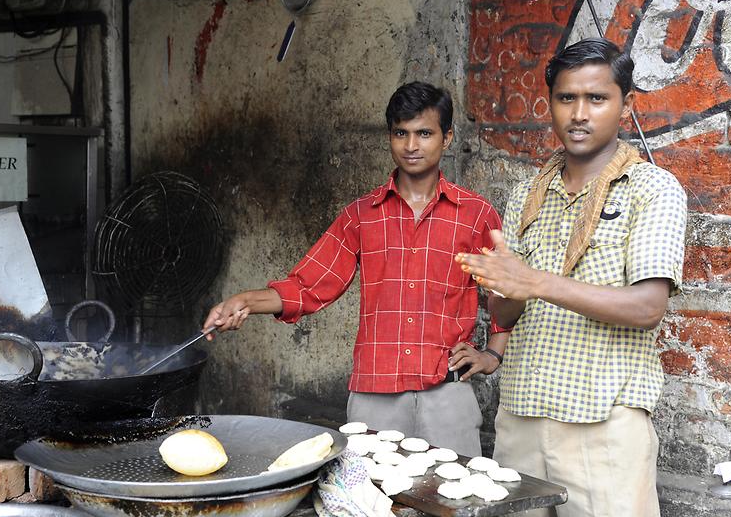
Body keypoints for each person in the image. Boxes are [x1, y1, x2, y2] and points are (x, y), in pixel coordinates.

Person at [457, 38, 687, 517]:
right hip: (524, 415)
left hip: (603, 423)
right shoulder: (527, 193)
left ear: (626, 104)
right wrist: (505, 288)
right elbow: (508, 315)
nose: (579, 114)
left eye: (597, 98)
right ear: (551, 105)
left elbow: (647, 307)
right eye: (565, 99)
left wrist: (532, 280)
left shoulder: (652, 190)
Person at [203, 81, 510, 457]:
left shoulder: (476, 214)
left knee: (457, 503)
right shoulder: (361, 216)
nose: (411, 146)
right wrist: (245, 301)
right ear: (390, 137)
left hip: (447, 392)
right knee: (370, 504)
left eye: (424, 133)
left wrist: (492, 355)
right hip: (374, 397)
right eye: (401, 133)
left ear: (446, 138)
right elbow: (308, 287)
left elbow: (505, 291)